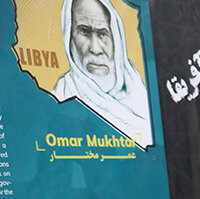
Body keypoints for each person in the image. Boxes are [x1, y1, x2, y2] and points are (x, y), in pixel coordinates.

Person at [52, 0, 151, 147]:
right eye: (84, 31)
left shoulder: (139, 95)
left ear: (116, 38)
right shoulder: (60, 97)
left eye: (102, 33)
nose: (95, 49)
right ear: (69, 36)